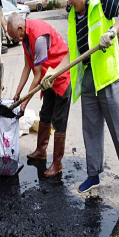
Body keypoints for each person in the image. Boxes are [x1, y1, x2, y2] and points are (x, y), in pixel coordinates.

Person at [42, 0, 119, 199]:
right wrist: (54, 71)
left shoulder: (103, 0)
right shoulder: (73, 14)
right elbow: (73, 53)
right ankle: (93, 175)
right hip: (87, 79)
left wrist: (113, 30)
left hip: (108, 77)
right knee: (91, 130)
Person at [7, 12, 71, 178]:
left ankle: (57, 163)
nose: (16, 41)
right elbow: (27, 67)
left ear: (20, 28)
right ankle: (41, 151)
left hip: (61, 76)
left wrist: (24, 103)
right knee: (45, 114)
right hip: (48, 78)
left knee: (59, 120)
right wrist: (18, 92)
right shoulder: (25, 37)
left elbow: (36, 75)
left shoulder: (39, 37)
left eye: (15, 37)